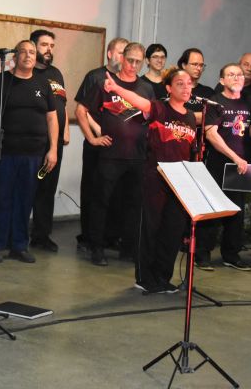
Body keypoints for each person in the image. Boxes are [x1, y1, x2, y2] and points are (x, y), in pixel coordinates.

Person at [103, 68, 196, 293]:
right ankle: (145, 278)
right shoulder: (160, 109)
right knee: (150, 229)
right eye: (180, 83)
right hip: (155, 179)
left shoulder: (191, 117)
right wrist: (116, 88)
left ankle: (163, 277)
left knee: (172, 231)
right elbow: (140, 102)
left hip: (180, 182)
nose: (186, 88)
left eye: (189, 83)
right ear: (168, 88)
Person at [76, 42, 154, 266]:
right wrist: (92, 138)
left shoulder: (146, 88)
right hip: (110, 154)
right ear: (122, 58)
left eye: (138, 62)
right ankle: (96, 248)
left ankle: (128, 248)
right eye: (130, 60)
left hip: (138, 156)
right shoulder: (105, 83)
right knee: (101, 201)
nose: (133, 65)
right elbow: (81, 110)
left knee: (133, 203)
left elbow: (152, 115)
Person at [0, 40, 58, 263]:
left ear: (36, 57)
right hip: (4, 152)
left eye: (32, 52)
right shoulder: (0, 82)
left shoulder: (44, 83)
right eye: (23, 52)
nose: (28, 55)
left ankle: (19, 245)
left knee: (25, 200)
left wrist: (52, 149)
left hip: (34, 153)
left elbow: (52, 117)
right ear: (14, 57)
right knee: (2, 198)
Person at [196, 63, 251, 271]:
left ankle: (231, 254)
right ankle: (202, 254)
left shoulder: (247, 103)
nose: (237, 78)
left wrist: (242, 159)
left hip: (242, 164)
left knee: (236, 211)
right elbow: (211, 134)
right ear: (222, 81)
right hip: (220, 163)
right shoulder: (215, 103)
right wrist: (234, 157)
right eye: (231, 74)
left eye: (239, 75)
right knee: (214, 208)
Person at [73, 37, 128, 251]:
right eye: (120, 52)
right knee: (93, 190)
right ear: (109, 53)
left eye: (127, 54)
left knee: (115, 193)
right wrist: (96, 132)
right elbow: (82, 109)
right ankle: (88, 237)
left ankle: (111, 236)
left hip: (119, 147)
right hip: (97, 144)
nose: (123, 58)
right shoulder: (95, 76)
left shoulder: (127, 80)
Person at [29, 29, 68, 252]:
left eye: (52, 46)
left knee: (47, 189)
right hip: (33, 142)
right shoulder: (27, 73)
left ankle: (41, 236)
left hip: (55, 143)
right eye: (44, 45)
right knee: (27, 187)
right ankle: (15, 235)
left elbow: (61, 103)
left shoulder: (56, 73)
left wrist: (65, 132)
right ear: (33, 47)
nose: (49, 50)